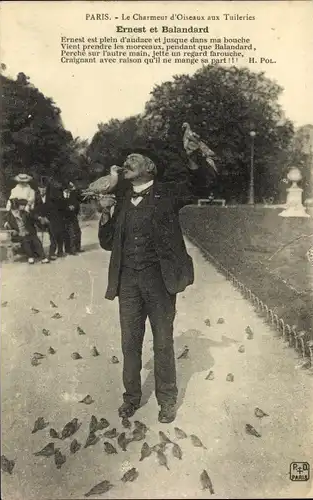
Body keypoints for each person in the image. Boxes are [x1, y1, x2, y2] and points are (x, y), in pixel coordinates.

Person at [98, 143, 208, 423]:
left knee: (162, 342)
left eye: (135, 158)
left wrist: (194, 157)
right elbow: (107, 242)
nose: (128, 160)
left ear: (150, 168)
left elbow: (199, 185)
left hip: (159, 281)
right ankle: (131, 398)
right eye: (126, 157)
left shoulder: (167, 193)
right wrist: (105, 213)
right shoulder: (120, 197)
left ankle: (167, 400)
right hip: (128, 283)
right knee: (130, 343)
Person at [4, 198, 50, 264]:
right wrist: (9, 228)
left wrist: (39, 218)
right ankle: (30, 256)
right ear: (11, 210)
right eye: (14, 211)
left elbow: (33, 216)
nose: (16, 213)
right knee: (25, 240)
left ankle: (43, 257)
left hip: (28, 232)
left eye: (17, 211)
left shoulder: (24, 213)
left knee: (35, 240)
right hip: (18, 234)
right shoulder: (8, 216)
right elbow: (4, 224)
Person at [45, 180, 66, 258]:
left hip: (58, 215)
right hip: (53, 215)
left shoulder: (56, 192)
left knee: (59, 234)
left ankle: (59, 251)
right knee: (54, 234)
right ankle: (52, 252)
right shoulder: (51, 196)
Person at [63, 181, 82, 255]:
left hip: (73, 215)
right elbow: (59, 205)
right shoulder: (60, 195)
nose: (68, 189)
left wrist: (74, 207)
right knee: (70, 233)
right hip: (65, 216)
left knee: (77, 232)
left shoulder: (73, 194)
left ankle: (77, 248)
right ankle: (71, 249)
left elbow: (77, 201)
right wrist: (67, 208)